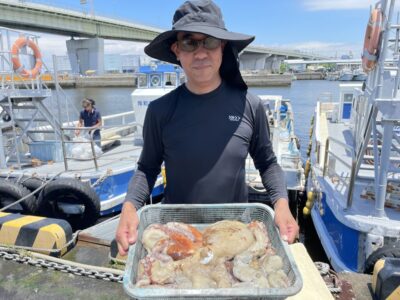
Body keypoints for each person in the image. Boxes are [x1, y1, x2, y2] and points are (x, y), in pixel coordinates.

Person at [116, 0, 299, 256]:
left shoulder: (250, 106)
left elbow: (267, 163)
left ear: (222, 47)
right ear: (176, 50)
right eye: (190, 43)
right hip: (179, 238)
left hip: (235, 236)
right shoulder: (160, 111)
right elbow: (146, 168)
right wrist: (129, 207)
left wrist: (281, 204)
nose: (200, 53)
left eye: (210, 41)